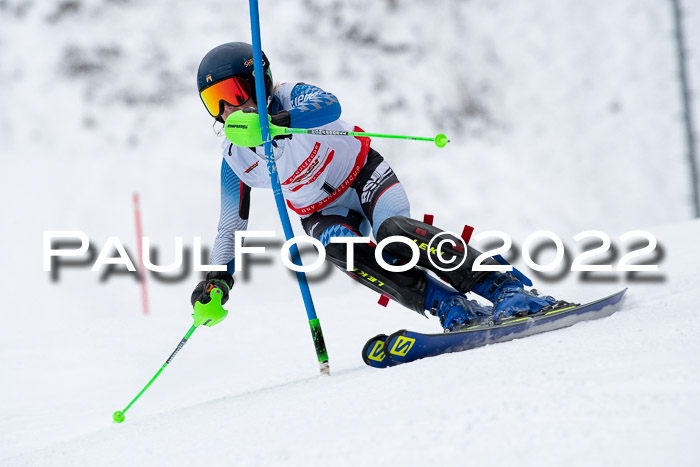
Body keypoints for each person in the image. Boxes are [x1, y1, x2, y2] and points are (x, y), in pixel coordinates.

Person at [190, 42, 557, 331]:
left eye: (235, 93)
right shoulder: (235, 159)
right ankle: (448, 305)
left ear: (261, 81)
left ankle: (503, 286)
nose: (227, 110)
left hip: (365, 176)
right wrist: (217, 279)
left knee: (393, 236)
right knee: (341, 249)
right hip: (322, 210)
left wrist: (275, 121)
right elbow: (230, 226)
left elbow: (328, 106)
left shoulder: (290, 97)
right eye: (214, 102)